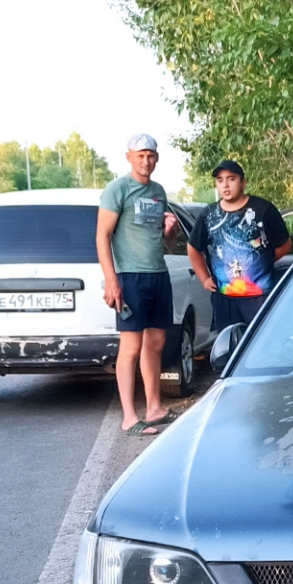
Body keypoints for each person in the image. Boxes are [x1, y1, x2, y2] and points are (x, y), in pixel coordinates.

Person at [97, 133, 180, 434]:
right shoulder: (117, 189)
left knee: (156, 342)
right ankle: (129, 417)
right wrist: (111, 280)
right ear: (129, 157)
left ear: (157, 158)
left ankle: (154, 407)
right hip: (129, 277)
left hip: (158, 274)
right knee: (130, 347)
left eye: (151, 155)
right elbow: (102, 235)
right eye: (141, 155)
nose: (146, 161)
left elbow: (166, 244)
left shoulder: (158, 191)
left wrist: (170, 231)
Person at [186, 158, 291, 332]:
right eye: (220, 181)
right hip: (225, 299)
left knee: (260, 344)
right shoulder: (209, 215)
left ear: (243, 182)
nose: (225, 185)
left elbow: (285, 244)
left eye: (231, 179)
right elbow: (193, 248)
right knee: (229, 350)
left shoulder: (263, 209)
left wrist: (263, 261)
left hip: (260, 296)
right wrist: (204, 279)